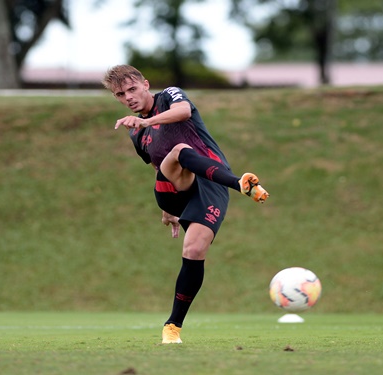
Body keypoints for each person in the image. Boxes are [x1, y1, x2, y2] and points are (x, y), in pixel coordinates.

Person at [102, 65, 269, 344]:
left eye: (132, 89)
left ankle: (172, 327)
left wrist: (145, 121)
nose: (128, 97)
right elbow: (159, 166)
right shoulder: (137, 134)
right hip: (175, 188)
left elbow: (184, 113)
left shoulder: (170, 95)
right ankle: (240, 183)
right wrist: (167, 207)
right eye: (121, 94)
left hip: (210, 182)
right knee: (178, 152)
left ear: (146, 84)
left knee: (194, 249)